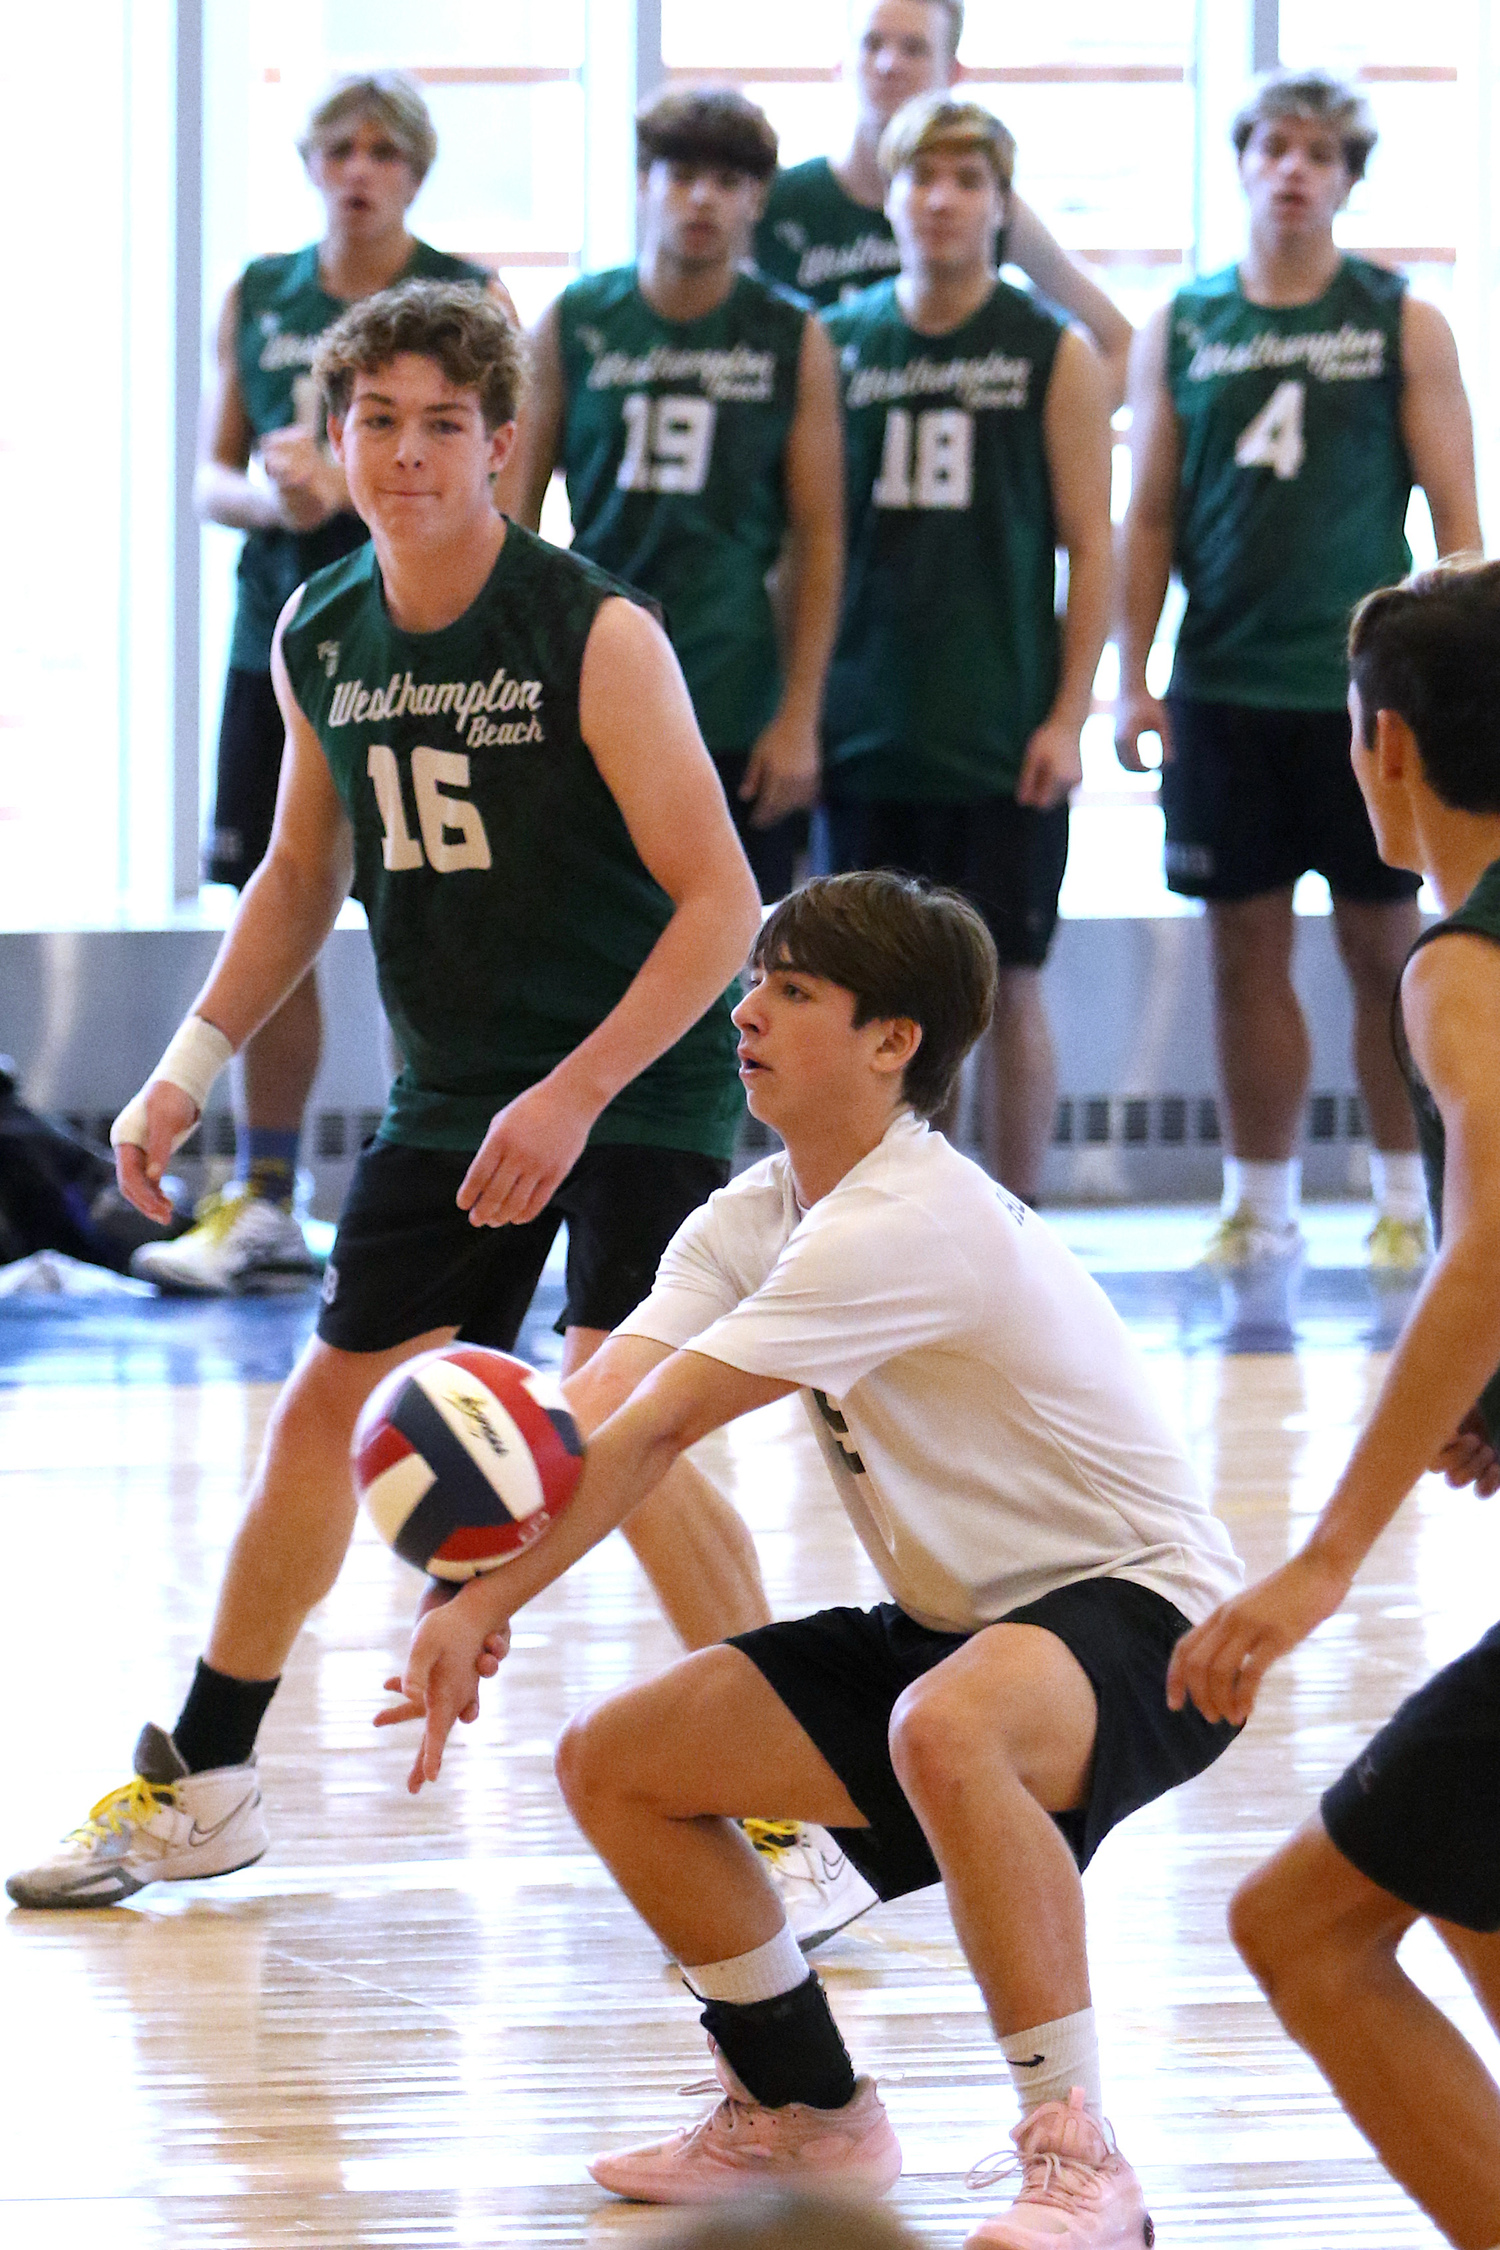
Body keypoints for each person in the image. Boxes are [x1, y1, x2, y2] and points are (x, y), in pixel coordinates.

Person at [6, 280, 770, 1912]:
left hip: (635, 1071)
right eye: (378, 422)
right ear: (335, 440)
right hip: (455, 1089)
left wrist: (572, 1095)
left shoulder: (593, 630)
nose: (409, 454)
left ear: (503, 445)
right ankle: (203, 1777)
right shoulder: (323, 629)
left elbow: (724, 907)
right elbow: (299, 869)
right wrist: (181, 1067)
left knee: (619, 1414)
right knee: (318, 1411)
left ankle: (799, 1795)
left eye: (444, 425)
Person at [380, 870, 1245, 2240]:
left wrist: (487, 1599)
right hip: (956, 1624)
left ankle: (1082, 2163)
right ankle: (807, 2113)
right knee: (618, 1763)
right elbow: (587, 1417)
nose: (747, 1009)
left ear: (893, 1039)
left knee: (948, 1725)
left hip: (1152, 1620)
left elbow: (660, 1431)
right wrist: (463, 1585)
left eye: (792, 989)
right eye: (755, 979)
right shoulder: (749, 1216)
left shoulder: (910, 1216)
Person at [1167, 559, 1500, 2250]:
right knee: (1447, 1870)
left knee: (1301, 1926)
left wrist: (1324, 1560)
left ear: (1379, 749)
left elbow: (1492, 1248)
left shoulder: (1461, 962)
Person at [137, 72, 503, 1296]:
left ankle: (467, 1175)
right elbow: (209, 479)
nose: (359, 167)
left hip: (433, 645)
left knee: (440, 903)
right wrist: (283, 497)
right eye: (338, 146)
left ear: (415, 170)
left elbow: (509, 471)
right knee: (276, 900)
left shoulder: (466, 291)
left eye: (383, 149)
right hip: (284, 643)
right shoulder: (264, 291)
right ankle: (271, 1197)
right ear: (309, 163)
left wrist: (362, 489)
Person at [1116, 69, 1482, 1271]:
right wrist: (1134, 673)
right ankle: (1259, 1205)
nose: (1291, 168)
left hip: (1366, 685)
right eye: (1272, 146)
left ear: (1346, 178)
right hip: (1223, 681)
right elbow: (1152, 514)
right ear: (1242, 162)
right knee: (1242, 952)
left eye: (1317, 152)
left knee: (1392, 948)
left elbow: (1455, 520)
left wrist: (1462, 674)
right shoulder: (1189, 320)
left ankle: (1405, 1199)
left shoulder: (1399, 320)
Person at [819, 96, 1113, 1205]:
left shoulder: (1050, 348)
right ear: (888, 196)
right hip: (862, 721)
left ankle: (1015, 1221)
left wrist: (1067, 714)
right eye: (920, 177)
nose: (940, 199)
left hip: (999, 729)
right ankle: (881, 1226)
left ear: (999, 202)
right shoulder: (834, 338)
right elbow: (799, 540)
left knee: (1009, 984)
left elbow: (1094, 543)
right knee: (861, 1005)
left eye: (967, 179)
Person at [502, 86, 844, 904]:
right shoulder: (576, 320)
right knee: (593, 938)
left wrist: (799, 714)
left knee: (742, 947)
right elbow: (511, 516)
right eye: (682, 174)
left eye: (728, 182)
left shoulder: (791, 333)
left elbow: (819, 537)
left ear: (757, 199)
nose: (702, 198)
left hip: (733, 680)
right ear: (643, 181)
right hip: (593, 670)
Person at [754, 0, 1132, 404]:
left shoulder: (992, 210)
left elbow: (1125, 345)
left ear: (953, 73)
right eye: (871, 44)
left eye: (913, 49)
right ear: (842, 61)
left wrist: (1051, 435)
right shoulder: (776, 202)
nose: (888, 65)